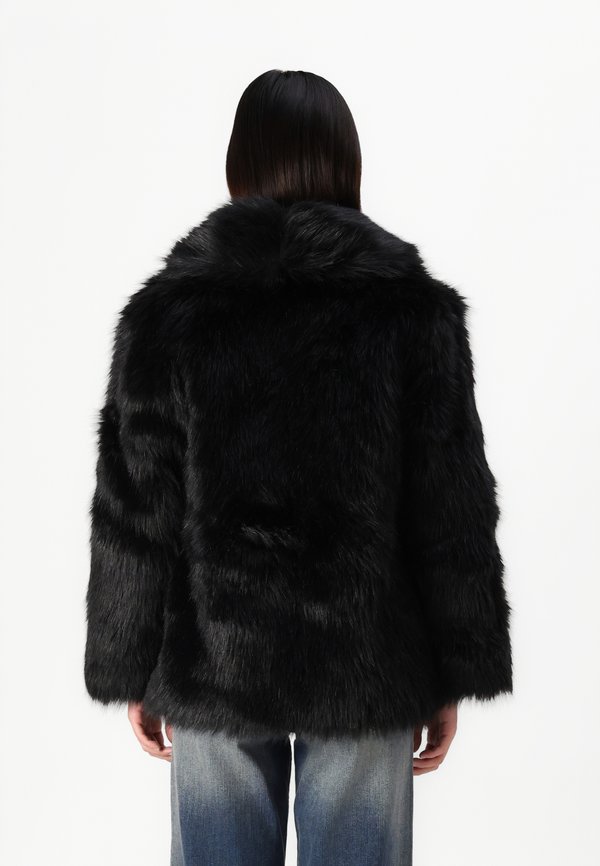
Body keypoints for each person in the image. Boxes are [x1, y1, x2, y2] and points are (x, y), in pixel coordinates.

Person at [83, 69, 513, 866]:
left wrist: (129, 663)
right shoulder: (411, 312)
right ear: (348, 164)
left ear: (238, 166)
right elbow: (451, 506)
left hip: (214, 659)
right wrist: (456, 664)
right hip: (368, 663)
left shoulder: (169, 315)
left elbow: (134, 510)